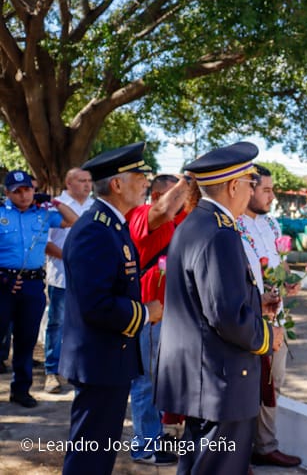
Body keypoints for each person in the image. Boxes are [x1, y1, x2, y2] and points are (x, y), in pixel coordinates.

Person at [155, 142, 281, 474]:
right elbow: (226, 315)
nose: (252, 190)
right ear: (233, 186)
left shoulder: (197, 222)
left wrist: (257, 303)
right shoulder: (220, 232)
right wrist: (269, 336)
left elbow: (208, 298)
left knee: (199, 465)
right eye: (251, 183)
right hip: (220, 379)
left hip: (203, 376)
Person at [60, 142, 163, 474]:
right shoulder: (95, 230)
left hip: (110, 357)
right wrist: (146, 313)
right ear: (117, 184)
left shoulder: (111, 224)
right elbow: (96, 304)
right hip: (99, 359)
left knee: (100, 452)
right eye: (139, 176)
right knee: (90, 453)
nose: (146, 182)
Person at [237, 164, 302, 468]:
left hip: (276, 317)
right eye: (266, 189)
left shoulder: (272, 225)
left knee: (273, 382)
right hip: (247, 318)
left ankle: (265, 445)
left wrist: (289, 281)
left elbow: (280, 262)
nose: (272, 195)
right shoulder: (233, 225)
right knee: (246, 383)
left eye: (272, 189)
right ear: (249, 188)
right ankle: (238, 451)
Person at [0, 169, 79, 408]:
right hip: (3, 284)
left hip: (33, 285)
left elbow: (74, 221)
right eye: (18, 192)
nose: (24, 195)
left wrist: (55, 202)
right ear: (7, 193)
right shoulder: (1, 214)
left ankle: (20, 390)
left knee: (26, 339)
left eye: (28, 190)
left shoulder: (44, 214)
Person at [125, 173, 188, 466]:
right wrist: (190, 177)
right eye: (176, 195)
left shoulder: (180, 219)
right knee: (146, 382)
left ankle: (155, 434)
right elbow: (165, 209)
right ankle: (144, 445)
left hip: (173, 314)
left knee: (160, 380)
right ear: (158, 197)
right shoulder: (143, 216)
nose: (182, 201)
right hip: (152, 314)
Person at [42, 168, 94, 394]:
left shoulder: (95, 205)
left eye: (89, 181)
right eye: (81, 181)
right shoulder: (53, 205)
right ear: (68, 183)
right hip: (62, 275)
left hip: (90, 278)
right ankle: (52, 372)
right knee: (57, 323)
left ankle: (80, 368)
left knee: (86, 323)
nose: (87, 185)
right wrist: (71, 257)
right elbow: (45, 241)